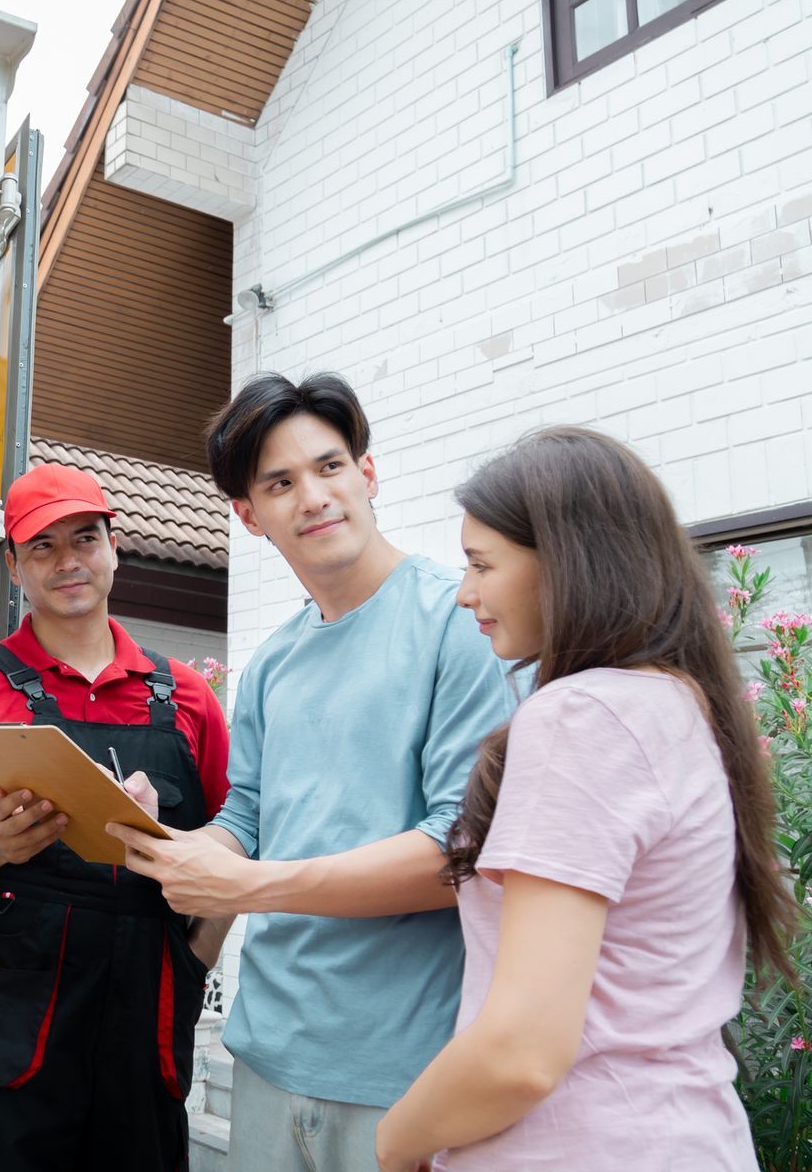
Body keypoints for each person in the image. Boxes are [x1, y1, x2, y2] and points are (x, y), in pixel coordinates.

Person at [111, 372, 514, 1171]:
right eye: (281, 483)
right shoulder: (271, 665)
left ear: (368, 474)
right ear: (249, 515)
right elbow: (250, 820)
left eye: (330, 467)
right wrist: (179, 848)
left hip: (407, 1067)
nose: (314, 497)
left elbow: (459, 852)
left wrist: (248, 885)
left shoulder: (459, 624)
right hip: (267, 1053)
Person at [372, 427, 795, 1171]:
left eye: (481, 565)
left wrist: (397, 1142)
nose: (466, 592)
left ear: (566, 566)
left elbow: (522, 1053)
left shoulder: (585, 717)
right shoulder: (678, 704)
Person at [0, 463, 233, 1172]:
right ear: (14, 565)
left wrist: (195, 961)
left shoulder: (189, 697)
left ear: (113, 548)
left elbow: (236, 845)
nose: (69, 561)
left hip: (146, 1036)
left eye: (86, 538)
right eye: (43, 546)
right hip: (6, 1049)